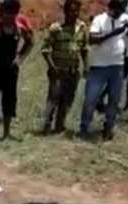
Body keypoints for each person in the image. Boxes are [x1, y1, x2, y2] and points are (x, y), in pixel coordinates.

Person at [80, 0, 128, 140]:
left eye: (122, 10)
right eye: (118, 10)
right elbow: (92, 39)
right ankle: (84, 126)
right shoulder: (99, 20)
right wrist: (113, 33)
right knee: (91, 98)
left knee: (114, 99)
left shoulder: (126, 19)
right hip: (99, 65)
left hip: (117, 65)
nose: (120, 13)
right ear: (111, 8)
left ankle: (109, 126)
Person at [0, 0, 34, 140]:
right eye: (7, 14)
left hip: (10, 69)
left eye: (12, 15)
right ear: (2, 13)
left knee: (9, 99)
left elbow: (30, 42)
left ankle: (6, 133)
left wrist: (20, 58)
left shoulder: (20, 29)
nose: (9, 18)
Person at [41, 0, 89, 134]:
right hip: (58, 70)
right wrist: (52, 67)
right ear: (65, 12)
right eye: (72, 11)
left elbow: (84, 49)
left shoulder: (82, 28)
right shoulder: (56, 28)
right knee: (53, 98)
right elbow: (45, 49)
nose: (75, 13)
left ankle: (59, 125)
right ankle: (46, 125)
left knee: (67, 99)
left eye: (77, 11)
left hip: (73, 71)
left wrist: (86, 66)